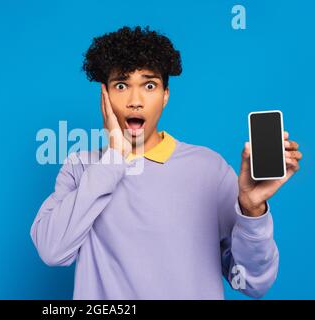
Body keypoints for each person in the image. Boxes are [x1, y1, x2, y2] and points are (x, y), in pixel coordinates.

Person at [30, 26, 302, 299]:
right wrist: (112, 161)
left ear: (165, 96)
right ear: (105, 96)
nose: (135, 101)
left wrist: (252, 210)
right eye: (121, 85)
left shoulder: (209, 169)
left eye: (149, 85)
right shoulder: (81, 167)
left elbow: (253, 283)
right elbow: (52, 251)